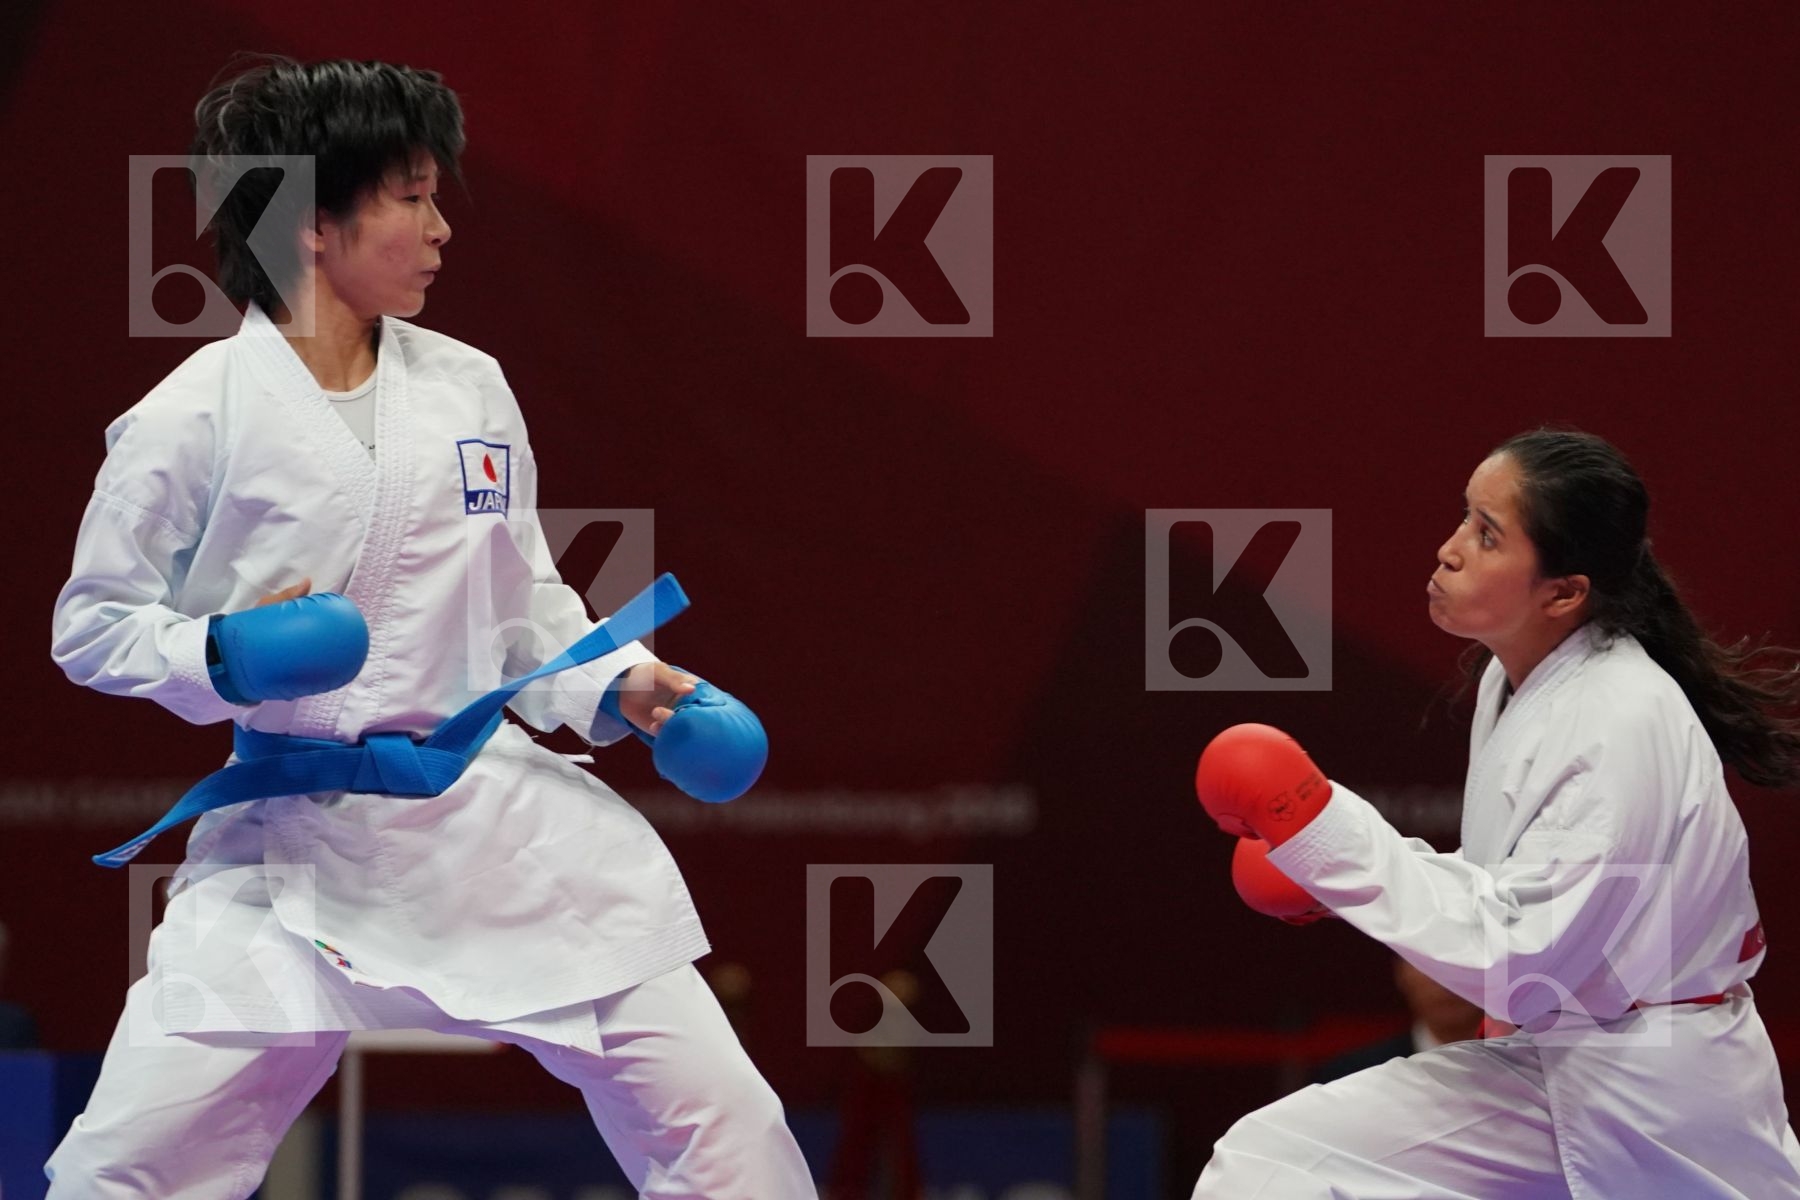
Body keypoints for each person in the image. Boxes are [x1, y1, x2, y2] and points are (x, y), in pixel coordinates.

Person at [46, 55, 814, 1198]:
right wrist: (219, 656)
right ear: (312, 220)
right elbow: (94, 627)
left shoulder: (468, 387)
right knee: (125, 1170)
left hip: (494, 829)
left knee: (730, 1135)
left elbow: (524, 609)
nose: (442, 225)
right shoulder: (190, 416)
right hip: (289, 847)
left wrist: (627, 686)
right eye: (410, 195)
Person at [1194, 428, 1800, 1197]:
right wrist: (1329, 869)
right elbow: (1519, 896)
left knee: (1276, 1165)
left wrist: (1325, 836)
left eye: (1486, 536)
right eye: (1462, 519)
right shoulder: (1513, 681)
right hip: (1574, 1059)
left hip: (1653, 1092)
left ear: (1564, 591)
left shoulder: (1619, 719)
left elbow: (1522, 957)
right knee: (1273, 1165)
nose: (1449, 549)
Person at [1311, 954, 1484, 1085]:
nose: (1446, 982)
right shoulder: (1352, 1078)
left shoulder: (1511, 1069)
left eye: (1462, 964)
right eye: (1427, 964)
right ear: (1401, 973)